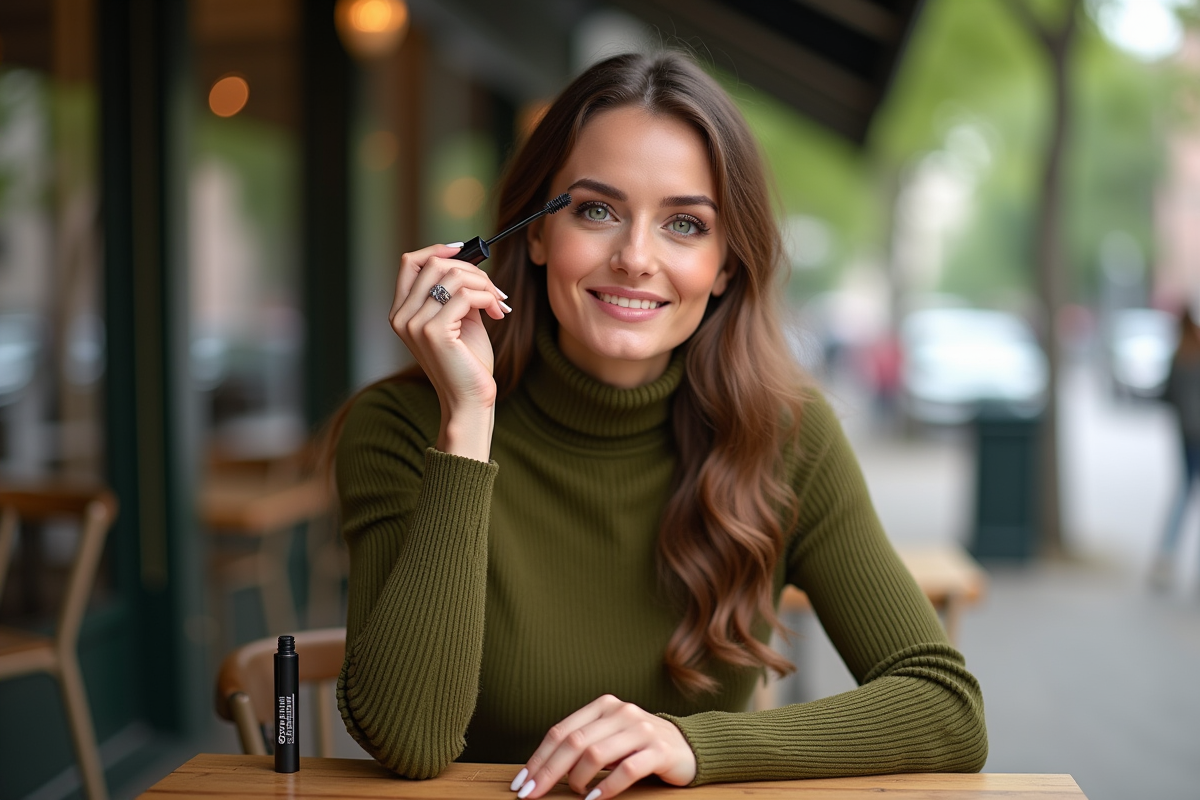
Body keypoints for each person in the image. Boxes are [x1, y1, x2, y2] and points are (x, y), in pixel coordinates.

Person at [331, 51, 987, 800]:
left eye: (684, 224)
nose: (635, 258)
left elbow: (947, 709)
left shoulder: (786, 437)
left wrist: (695, 743)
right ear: (536, 235)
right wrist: (468, 422)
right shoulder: (400, 427)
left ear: (727, 265)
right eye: (596, 210)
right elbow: (409, 740)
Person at [1153, 308, 1200, 589]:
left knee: (1183, 494)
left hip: (1186, 435)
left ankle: (1165, 560)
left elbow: (1166, 395)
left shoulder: (1179, 357)